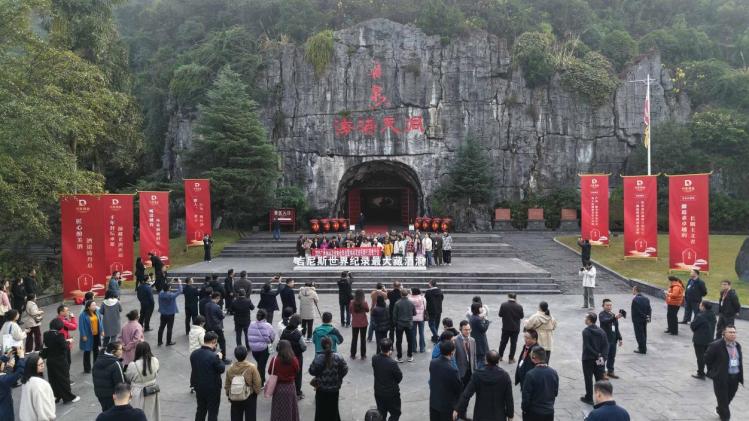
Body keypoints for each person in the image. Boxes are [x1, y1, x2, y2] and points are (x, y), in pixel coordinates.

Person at [454, 350, 514, 421]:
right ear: (498, 361)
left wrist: (457, 409)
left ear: (486, 360)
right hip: (499, 415)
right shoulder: (505, 376)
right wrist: (510, 415)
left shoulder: (477, 375)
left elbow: (466, 394)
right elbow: (509, 398)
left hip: (481, 415)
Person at [705, 325, 743, 421]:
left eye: (734, 332)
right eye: (730, 332)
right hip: (721, 378)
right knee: (722, 399)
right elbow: (707, 359)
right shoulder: (715, 345)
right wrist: (714, 372)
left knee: (729, 397)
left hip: (735, 377)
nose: (733, 334)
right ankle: (725, 417)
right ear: (724, 334)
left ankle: (720, 409)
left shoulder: (737, 345)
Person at [309, 336, 349, 421]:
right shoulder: (338, 357)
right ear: (331, 345)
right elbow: (345, 369)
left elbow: (311, 371)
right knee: (333, 410)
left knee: (320, 412)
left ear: (322, 346)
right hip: (334, 390)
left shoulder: (319, 358)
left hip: (321, 389)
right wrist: (339, 378)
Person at [42, 318, 79, 404]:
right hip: (60, 360)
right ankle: (68, 397)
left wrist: (64, 341)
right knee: (64, 379)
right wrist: (69, 341)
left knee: (53, 379)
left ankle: (56, 396)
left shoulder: (46, 334)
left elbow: (50, 344)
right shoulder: (59, 335)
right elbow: (64, 347)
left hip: (50, 360)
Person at [191, 332, 226, 421]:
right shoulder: (214, 356)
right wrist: (220, 359)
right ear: (214, 341)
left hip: (199, 386)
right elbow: (221, 369)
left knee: (201, 410)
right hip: (213, 389)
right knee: (212, 412)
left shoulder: (194, 354)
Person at [225, 345, 262, 421]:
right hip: (249, 395)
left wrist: (229, 394)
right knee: (250, 417)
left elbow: (227, 384)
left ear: (235, 355)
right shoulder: (252, 367)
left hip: (235, 395)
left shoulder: (230, 369)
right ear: (246, 355)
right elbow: (257, 382)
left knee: (236, 417)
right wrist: (256, 392)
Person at [125, 342, 160, 421]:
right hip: (152, 391)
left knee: (138, 414)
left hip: (138, 392)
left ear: (137, 351)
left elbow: (128, 378)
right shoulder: (155, 360)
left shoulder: (133, 365)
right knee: (151, 413)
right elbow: (157, 371)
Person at [428, 340, 462, 421]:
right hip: (447, 407)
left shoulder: (433, 362)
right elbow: (458, 389)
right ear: (452, 352)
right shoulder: (452, 370)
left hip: (434, 403)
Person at [521, 347, 558, 421]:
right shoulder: (554, 373)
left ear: (534, 357)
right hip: (549, 412)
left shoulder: (530, 374)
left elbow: (526, 397)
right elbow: (555, 392)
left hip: (534, 413)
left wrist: (524, 409)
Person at [580, 312, 608, 405]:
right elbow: (606, 345)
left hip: (588, 359)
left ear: (589, 320)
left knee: (588, 379)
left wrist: (596, 354)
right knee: (599, 379)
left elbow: (587, 346)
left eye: (586, 318)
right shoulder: (601, 331)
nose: (585, 319)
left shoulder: (586, 331)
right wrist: (603, 357)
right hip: (600, 360)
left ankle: (589, 397)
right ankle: (601, 398)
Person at [268, 339, 300, 421]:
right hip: (290, 387)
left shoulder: (275, 360)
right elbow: (297, 371)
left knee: (278, 410)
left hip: (278, 388)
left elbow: (270, 371)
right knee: (290, 409)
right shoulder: (294, 360)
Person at [372, 338, 403, 421]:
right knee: (395, 413)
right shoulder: (392, 363)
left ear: (380, 347)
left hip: (379, 392)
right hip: (391, 394)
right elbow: (399, 377)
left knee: (381, 413)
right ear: (390, 348)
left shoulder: (374, 358)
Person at [18, 354, 56, 420]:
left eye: (43, 362)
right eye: (40, 364)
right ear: (33, 366)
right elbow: (42, 407)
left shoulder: (26, 381)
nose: (43, 365)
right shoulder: (39, 384)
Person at [93, 341, 126, 411]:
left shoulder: (98, 360)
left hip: (100, 395)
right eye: (121, 349)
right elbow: (121, 384)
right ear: (113, 351)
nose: (122, 351)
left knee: (106, 412)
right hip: (113, 397)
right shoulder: (116, 364)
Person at [280, 315, 307, 398]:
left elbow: (281, 342)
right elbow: (304, 346)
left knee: (286, 372)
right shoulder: (298, 333)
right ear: (298, 324)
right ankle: (297, 392)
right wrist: (299, 350)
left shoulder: (284, 331)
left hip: (285, 355)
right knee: (298, 374)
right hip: (297, 356)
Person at [247, 309, 275, 386]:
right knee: (261, 366)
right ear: (265, 317)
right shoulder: (268, 325)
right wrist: (270, 342)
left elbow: (248, 335)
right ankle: (260, 382)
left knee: (260, 364)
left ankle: (261, 379)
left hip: (254, 349)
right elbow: (272, 336)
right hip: (263, 349)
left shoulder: (251, 324)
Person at [691, 301, 717, 379]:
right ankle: (710, 372)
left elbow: (693, 326)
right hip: (710, 339)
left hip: (699, 340)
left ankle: (701, 373)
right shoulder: (713, 315)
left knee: (700, 357)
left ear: (703, 307)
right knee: (708, 356)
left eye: (700, 305)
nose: (699, 306)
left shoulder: (700, 316)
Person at [0, 345, 26, 421]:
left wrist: (7, 356)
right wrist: (21, 357)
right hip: (4, 413)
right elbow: (19, 373)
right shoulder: (3, 380)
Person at [598, 299, 623, 379]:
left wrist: (620, 338)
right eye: (607, 305)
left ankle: (610, 371)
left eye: (610, 305)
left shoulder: (612, 314)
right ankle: (600, 372)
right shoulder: (601, 314)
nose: (609, 307)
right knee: (602, 357)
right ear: (603, 306)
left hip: (613, 340)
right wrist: (614, 318)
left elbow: (616, 328)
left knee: (612, 356)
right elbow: (606, 321)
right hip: (605, 340)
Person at [498, 293, 524, 362]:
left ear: (508, 296)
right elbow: (521, 316)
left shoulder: (503, 305)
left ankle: (500, 356)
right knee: (513, 344)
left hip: (506, 327)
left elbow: (500, 314)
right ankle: (511, 358)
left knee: (503, 342)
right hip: (515, 328)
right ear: (516, 297)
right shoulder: (519, 306)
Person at [157, 278, 183, 346]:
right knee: (169, 328)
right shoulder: (171, 295)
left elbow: (164, 288)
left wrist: (170, 282)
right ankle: (168, 342)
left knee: (161, 327)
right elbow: (180, 291)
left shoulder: (160, 294)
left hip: (163, 313)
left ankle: (159, 341)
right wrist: (179, 283)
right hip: (170, 314)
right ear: (169, 288)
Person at [205, 292, 230, 363]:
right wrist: (224, 313)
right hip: (217, 327)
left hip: (209, 326)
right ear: (217, 298)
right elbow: (221, 316)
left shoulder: (206, 305)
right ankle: (223, 358)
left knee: (211, 342)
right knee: (222, 342)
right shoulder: (216, 307)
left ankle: (211, 357)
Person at [79, 300, 103, 373]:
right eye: (93, 305)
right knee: (87, 351)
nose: (95, 306)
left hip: (96, 335)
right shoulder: (83, 315)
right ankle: (87, 368)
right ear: (88, 307)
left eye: (95, 305)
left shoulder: (97, 312)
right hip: (88, 335)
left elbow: (100, 322)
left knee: (96, 351)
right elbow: (81, 326)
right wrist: (83, 335)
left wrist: (102, 330)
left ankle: (96, 366)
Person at [393, 288, 415, 362]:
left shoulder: (397, 303)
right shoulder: (411, 303)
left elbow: (394, 315)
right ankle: (410, 356)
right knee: (410, 340)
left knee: (399, 341)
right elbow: (414, 313)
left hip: (400, 324)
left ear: (401, 294)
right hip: (409, 324)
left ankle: (399, 357)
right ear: (407, 294)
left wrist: (395, 323)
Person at [454, 320, 477, 387]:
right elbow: (453, 359)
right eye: (465, 330)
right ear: (460, 329)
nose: (468, 331)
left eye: (469, 329)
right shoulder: (455, 340)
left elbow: (474, 356)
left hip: (470, 372)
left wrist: (475, 371)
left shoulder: (472, 340)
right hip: (460, 372)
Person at [468, 302, 490, 369]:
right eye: (480, 308)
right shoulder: (477, 319)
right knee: (481, 360)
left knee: (478, 359)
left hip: (475, 340)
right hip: (480, 342)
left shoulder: (472, 317)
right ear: (477, 309)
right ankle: (480, 371)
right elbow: (483, 329)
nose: (482, 309)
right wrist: (487, 321)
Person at [630, 286, 651, 354]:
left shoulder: (635, 300)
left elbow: (637, 311)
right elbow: (649, 309)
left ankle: (642, 349)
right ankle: (643, 347)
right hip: (644, 320)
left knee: (639, 335)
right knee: (644, 334)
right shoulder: (646, 298)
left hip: (637, 320)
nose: (632, 291)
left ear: (635, 290)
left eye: (633, 290)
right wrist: (648, 317)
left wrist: (644, 316)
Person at [350, 288, 370, 359]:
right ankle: (363, 355)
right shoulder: (364, 303)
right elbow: (367, 310)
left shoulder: (352, 302)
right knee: (363, 339)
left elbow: (350, 310)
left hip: (355, 323)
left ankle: (353, 354)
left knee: (354, 338)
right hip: (363, 323)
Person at [409, 288, 427, 353]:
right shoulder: (422, 298)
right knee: (421, 333)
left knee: (413, 333)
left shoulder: (409, 299)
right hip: (421, 317)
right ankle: (422, 348)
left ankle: (414, 348)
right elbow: (425, 307)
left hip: (413, 318)